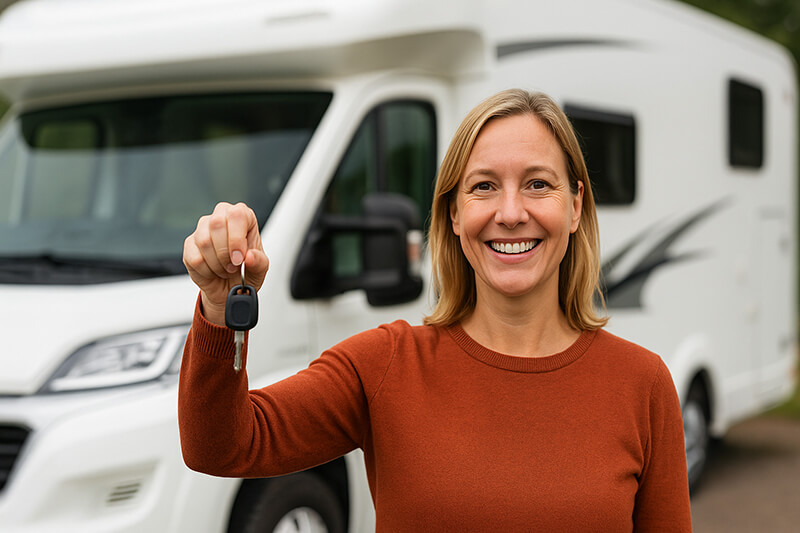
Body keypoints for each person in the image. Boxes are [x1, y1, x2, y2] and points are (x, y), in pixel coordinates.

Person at [179, 89, 692, 531]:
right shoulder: (386, 366)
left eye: (538, 184)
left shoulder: (642, 383)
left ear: (575, 206)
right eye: (483, 186)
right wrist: (220, 309)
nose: (511, 213)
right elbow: (220, 446)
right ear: (454, 214)